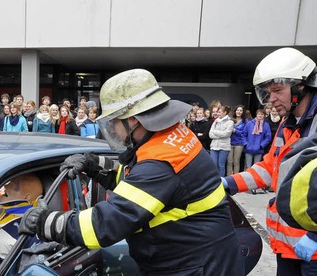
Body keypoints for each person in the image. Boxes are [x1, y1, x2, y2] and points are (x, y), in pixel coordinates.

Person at [19, 69, 242, 275]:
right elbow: (135, 182)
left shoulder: (161, 162)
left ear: (134, 118)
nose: (114, 129)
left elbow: (105, 225)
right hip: (199, 255)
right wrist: (94, 165)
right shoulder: (168, 137)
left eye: (115, 121)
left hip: (197, 265)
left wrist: (47, 222)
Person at [222, 47, 317, 274]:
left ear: (300, 87)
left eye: (277, 91)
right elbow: (270, 167)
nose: (270, 100)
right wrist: (229, 183)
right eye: (267, 93)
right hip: (288, 246)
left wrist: (314, 235)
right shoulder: (287, 123)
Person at [0, 173, 43, 272]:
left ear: (27, 197)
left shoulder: (31, 230)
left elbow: (28, 271)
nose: (6, 186)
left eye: (14, 185)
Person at [209, 105, 234, 176]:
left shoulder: (230, 122)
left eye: (219, 112)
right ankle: (215, 182)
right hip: (214, 146)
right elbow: (210, 134)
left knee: (221, 165)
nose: (217, 114)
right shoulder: (215, 121)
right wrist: (220, 134)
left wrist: (216, 132)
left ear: (225, 112)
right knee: (214, 165)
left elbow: (226, 134)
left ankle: (221, 182)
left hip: (224, 147)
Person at [227, 105, 247, 175]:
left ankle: (236, 177)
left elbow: (244, 133)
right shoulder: (230, 120)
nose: (239, 112)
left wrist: (235, 131)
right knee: (229, 161)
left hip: (239, 144)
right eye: (237, 110)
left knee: (236, 161)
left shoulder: (245, 121)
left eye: (240, 110)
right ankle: (229, 176)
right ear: (235, 111)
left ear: (243, 112)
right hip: (230, 142)